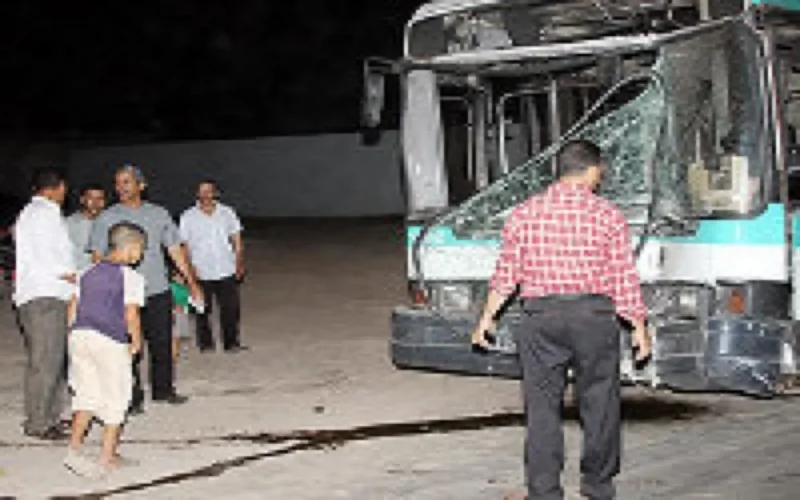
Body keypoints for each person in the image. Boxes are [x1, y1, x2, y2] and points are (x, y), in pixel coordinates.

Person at [471, 140, 651, 500]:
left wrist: (486, 320)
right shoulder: (608, 215)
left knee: (541, 409)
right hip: (593, 317)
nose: (602, 176)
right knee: (600, 404)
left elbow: (506, 275)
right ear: (589, 170)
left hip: (541, 318)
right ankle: (598, 486)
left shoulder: (524, 213)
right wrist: (639, 328)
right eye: (601, 169)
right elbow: (623, 277)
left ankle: (543, 490)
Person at [88, 164, 203, 413]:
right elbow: (97, 256)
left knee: (162, 342)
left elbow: (175, 249)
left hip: (157, 288)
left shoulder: (159, 214)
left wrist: (192, 281)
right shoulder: (106, 218)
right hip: (121, 293)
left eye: (126, 182)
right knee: (126, 344)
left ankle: (163, 390)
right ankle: (131, 396)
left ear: (141, 185)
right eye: (117, 183)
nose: (121, 188)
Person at [64, 222, 146, 478]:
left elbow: (73, 306)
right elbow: (130, 313)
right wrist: (136, 340)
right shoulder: (131, 277)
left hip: (80, 336)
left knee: (85, 394)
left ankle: (74, 450)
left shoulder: (87, 271)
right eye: (140, 249)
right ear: (131, 247)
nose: (140, 255)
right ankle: (107, 457)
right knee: (116, 397)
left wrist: (73, 333)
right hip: (109, 340)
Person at [13, 166, 76, 440]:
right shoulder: (43, 214)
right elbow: (50, 253)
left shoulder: (32, 213)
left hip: (45, 292)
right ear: (58, 187)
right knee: (45, 360)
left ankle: (49, 416)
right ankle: (38, 422)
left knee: (53, 359)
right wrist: (69, 273)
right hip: (44, 294)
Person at [179, 179, 246, 352]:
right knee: (202, 310)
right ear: (197, 194)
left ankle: (231, 342)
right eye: (202, 191)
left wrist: (239, 261)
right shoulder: (188, 216)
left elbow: (236, 238)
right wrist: (189, 268)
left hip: (226, 267)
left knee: (230, 309)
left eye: (209, 191)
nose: (206, 195)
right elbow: (184, 245)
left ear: (216, 193)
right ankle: (206, 343)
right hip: (200, 270)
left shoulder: (227, 213)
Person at [66, 184, 106, 272]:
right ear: (82, 200)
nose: (95, 203)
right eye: (91, 198)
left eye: (99, 198)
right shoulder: (69, 224)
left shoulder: (109, 222)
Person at [170, 268, 191, 364]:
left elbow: (189, 300)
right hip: (174, 314)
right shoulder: (171, 287)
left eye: (183, 277)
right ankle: (174, 355)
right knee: (176, 335)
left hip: (184, 313)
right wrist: (174, 307)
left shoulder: (187, 288)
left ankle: (183, 352)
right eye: (178, 277)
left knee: (184, 334)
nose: (181, 279)